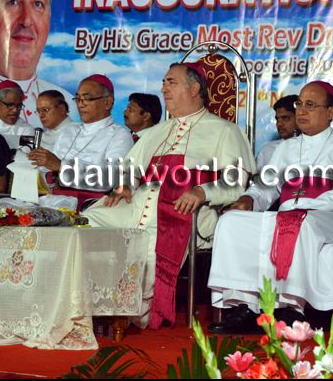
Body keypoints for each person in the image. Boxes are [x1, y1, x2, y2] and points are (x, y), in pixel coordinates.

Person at [83, 63, 255, 330]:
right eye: (163, 82)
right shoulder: (156, 132)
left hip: (187, 212)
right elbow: (131, 170)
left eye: (171, 82)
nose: (163, 88)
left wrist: (203, 190)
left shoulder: (225, 131)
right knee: (88, 220)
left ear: (195, 88)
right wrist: (126, 184)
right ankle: (90, 303)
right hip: (138, 205)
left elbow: (236, 183)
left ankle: (127, 313)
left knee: (150, 237)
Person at [207, 81, 333, 334]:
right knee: (231, 222)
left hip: (328, 218)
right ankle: (244, 307)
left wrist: (302, 206)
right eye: (299, 104)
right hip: (287, 215)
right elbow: (267, 187)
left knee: (297, 223)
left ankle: (290, 309)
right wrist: (250, 199)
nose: (301, 111)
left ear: (331, 112)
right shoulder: (285, 148)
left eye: (310, 105)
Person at [27, 74, 133, 209]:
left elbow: (110, 179)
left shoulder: (120, 135)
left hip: (86, 207)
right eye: (78, 98)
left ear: (107, 102)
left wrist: (61, 166)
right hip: (50, 200)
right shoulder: (70, 130)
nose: (80, 104)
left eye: (87, 99)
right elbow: (49, 171)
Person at [0, 81, 35, 147]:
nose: (15, 110)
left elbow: (25, 154)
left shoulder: (26, 129)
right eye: (10, 105)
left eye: (19, 105)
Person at [256, 94, 299, 171]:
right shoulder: (267, 150)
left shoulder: (312, 148)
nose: (279, 123)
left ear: (299, 118)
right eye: (277, 119)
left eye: (285, 118)